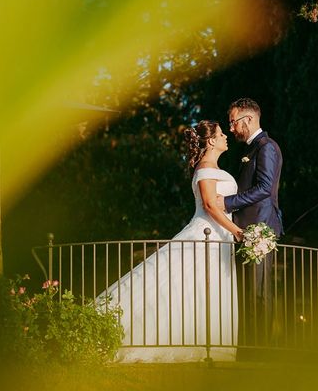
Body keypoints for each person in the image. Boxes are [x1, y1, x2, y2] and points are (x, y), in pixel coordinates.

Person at [100, 120, 242, 363]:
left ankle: (206, 343)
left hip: (219, 238)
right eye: (220, 134)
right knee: (178, 286)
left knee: (198, 290)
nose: (225, 137)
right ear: (210, 141)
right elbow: (209, 205)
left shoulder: (211, 167)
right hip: (205, 235)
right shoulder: (206, 168)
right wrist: (238, 231)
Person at [217, 97, 283, 346]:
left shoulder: (266, 147)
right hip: (247, 230)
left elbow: (265, 188)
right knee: (248, 293)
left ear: (249, 119)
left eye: (233, 122)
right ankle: (249, 346)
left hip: (260, 230)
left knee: (259, 293)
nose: (231, 128)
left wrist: (227, 203)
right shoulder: (251, 149)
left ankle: (261, 351)